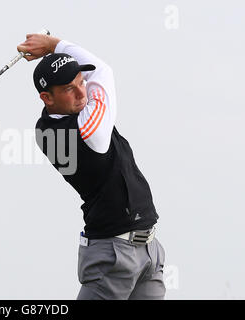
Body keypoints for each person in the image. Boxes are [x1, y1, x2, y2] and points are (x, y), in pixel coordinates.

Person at [17, 33, 166, 300]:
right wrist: (55, 45)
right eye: (68, 89)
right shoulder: (76, 130)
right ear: (46, 98)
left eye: (81, 82)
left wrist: (55, 49)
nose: (81, 92)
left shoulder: (74, 115)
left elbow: (96, 74)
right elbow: (104, 72)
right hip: (112, 256)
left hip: (148, 252)